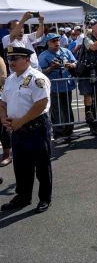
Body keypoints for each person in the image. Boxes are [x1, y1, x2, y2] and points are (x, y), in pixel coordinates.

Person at [0, 47, 52, 213]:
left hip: (36, 129)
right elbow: (2, 102)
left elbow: (41, 104)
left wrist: (21, 121)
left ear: (27, 59)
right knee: (21, 167)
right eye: (10, 59)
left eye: (16, 58)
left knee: (42, 166)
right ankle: (23, 197)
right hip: (17, 130)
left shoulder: (36, 78)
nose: (11, 62)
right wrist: (3, 118)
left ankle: (44, 198)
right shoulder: (10, 79)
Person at [38, 33, 77, 139]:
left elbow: (75, 62)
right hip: (53, 87)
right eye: (53, 41)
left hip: (66, 85)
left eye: (58, 40)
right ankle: (58, 134)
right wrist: (51, 67)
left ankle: (69, 131)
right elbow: (40, 72)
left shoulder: (66, 51)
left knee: (68, 109)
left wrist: (72, 65)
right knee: (56, 110)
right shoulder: (43, 55)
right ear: (48, 43)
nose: (57, 43)